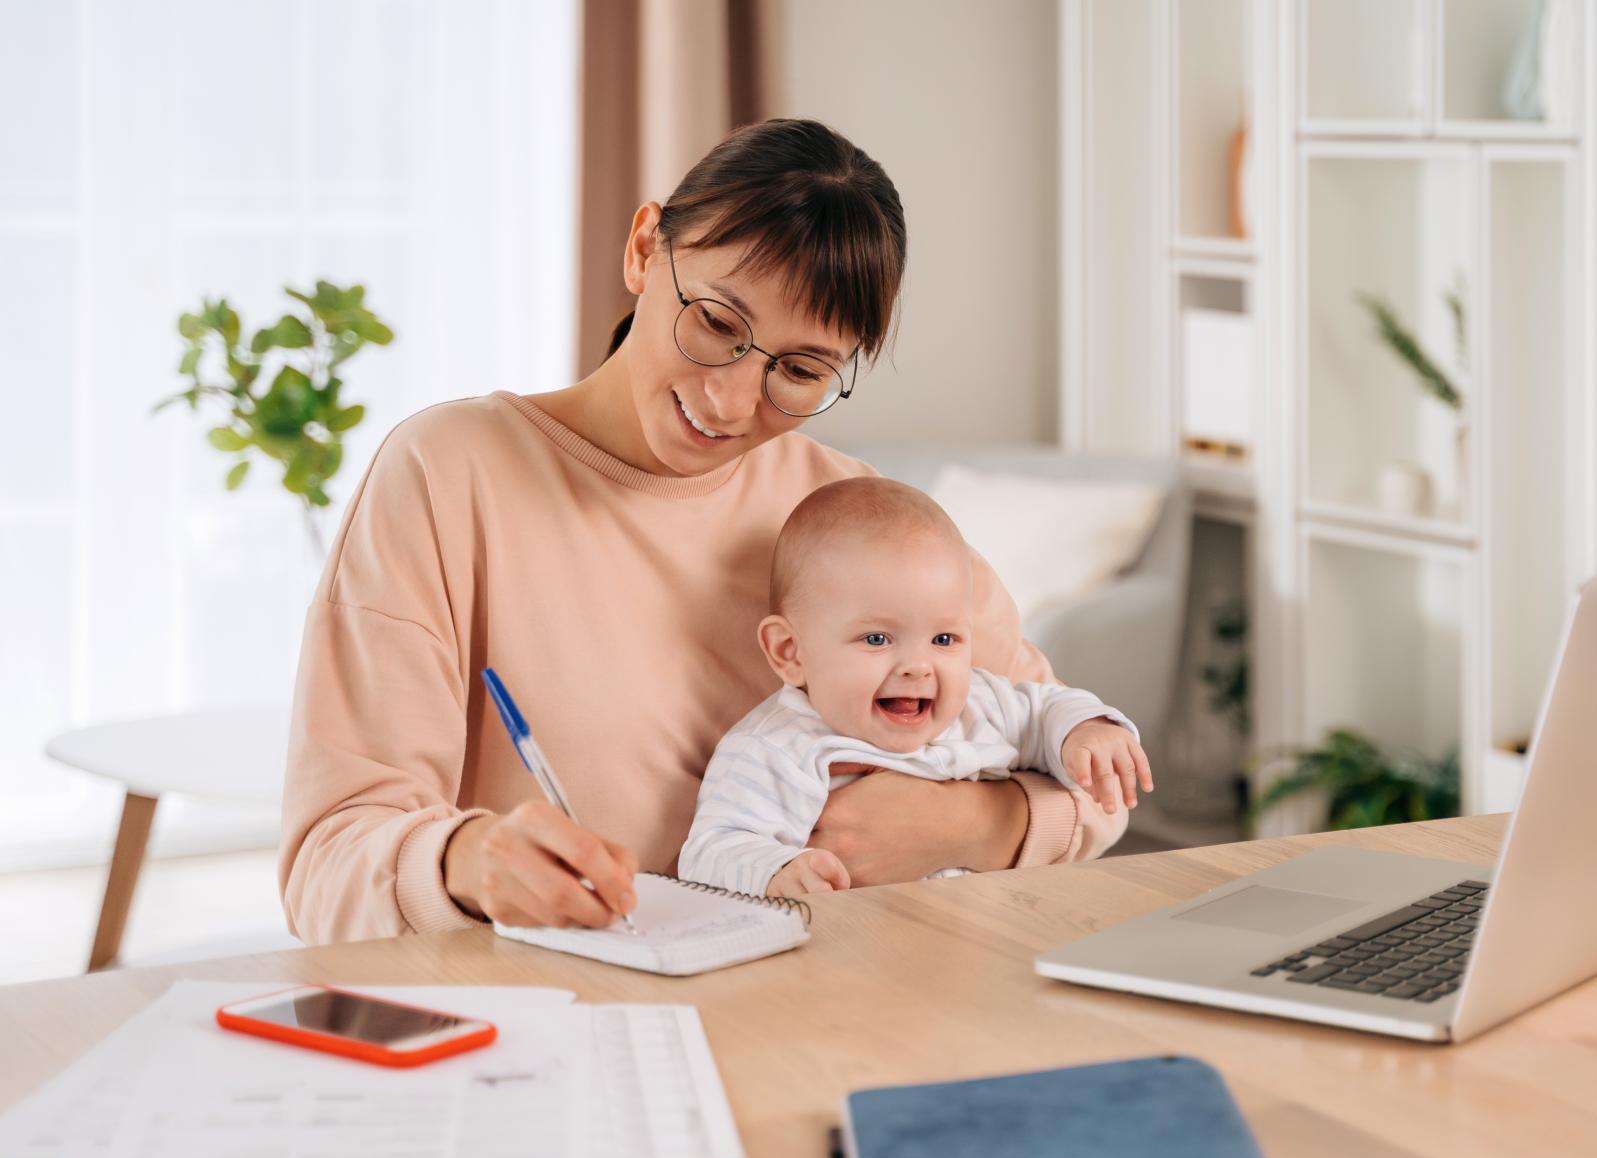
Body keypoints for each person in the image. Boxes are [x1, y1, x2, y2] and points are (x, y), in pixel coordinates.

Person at [278, 118, 1127, 943]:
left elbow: (1095, 781)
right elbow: (327, 870)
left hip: (838, 1013)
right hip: (567, 1023)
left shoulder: (856, 516)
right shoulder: (448, 473)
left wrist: (973, 825)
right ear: (646, 248)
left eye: (798, 372)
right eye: (717, 324)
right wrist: (461, 861)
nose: (728, 401)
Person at [680, 477, 1152, 899]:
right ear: (790, 652)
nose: (917, 667)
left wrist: (1087, 729)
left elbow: (1047, 709)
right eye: (877, 639)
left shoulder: (981, 705)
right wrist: (778, 871)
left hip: (986, 943)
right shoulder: (776, 749)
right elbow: (712, 850)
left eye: (944, 639)